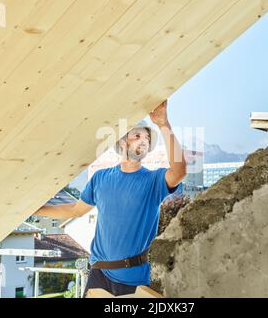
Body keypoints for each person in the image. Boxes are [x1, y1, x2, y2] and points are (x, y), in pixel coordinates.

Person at [34, 100, 187, 297]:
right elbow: (76, 210)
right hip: (98, 275)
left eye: (147, 139)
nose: (144, 141)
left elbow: (179, 170)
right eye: (137, 135)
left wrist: (163, 125)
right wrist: (36, 209)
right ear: (123, 141)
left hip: (133, 280)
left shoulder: (153, 181)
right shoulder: (100, 178)